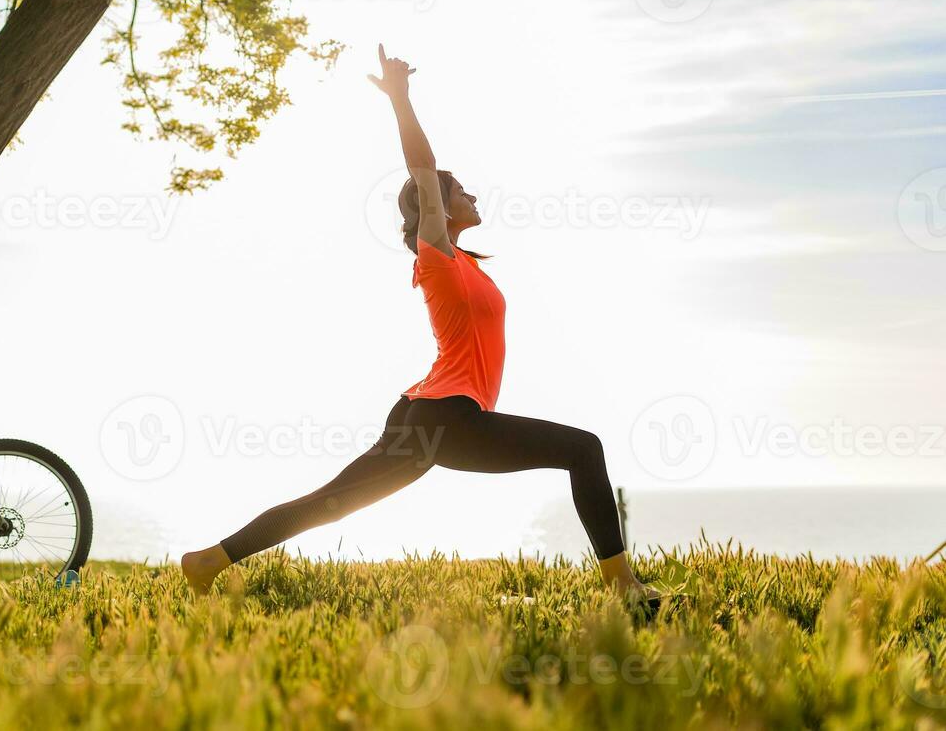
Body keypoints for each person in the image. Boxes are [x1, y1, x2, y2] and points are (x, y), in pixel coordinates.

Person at [180, 44, 657, 601]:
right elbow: (423, 171)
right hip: (443, 418)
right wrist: (401, 100)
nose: (472, 193)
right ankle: (623, 586)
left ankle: (209, 561)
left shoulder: (467, 266)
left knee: (331, 503)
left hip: (431, 414)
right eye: (461, 191)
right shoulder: (436, 257)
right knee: (584, 449)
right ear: (438, 208)